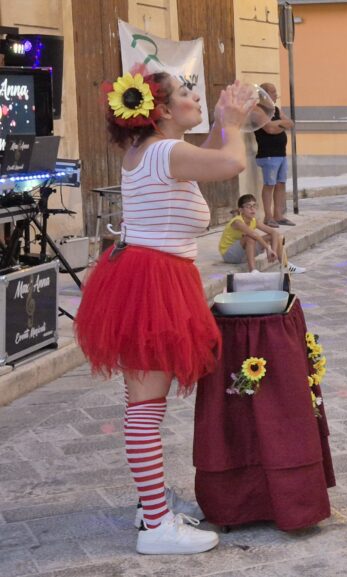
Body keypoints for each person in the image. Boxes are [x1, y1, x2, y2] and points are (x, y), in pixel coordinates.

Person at [76, 72, 256, 554]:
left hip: (144, 275)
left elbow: (214, 150)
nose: (195, 96)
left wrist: (221, 121)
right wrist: (234, 122)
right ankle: (156, 525)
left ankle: (149, 507)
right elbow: (231, 160)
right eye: (185, 93)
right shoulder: (164, 153)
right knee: (145, 407)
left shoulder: (152, 151)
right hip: (153, 282)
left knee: (142, 403)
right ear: (161, 111)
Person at [218, 194, 306, 274]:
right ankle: (253, 271)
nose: (252, 209)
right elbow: (254, 235)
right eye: (248, 206)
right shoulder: (237, 221)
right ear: (241, 210)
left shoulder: (254, 221)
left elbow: (273, 232)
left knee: (277, 236)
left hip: (243, 253)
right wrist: (268, 248)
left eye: (254, 206)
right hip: (230, 255)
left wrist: (273, 251)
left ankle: (285, 265)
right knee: (250, 237)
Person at [253, 83, 294, 228]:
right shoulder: (258, 110)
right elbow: (269, 129)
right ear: (264, 94)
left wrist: (278, 124)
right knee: (269, 185)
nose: (276, 95)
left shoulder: (275, 109)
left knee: (281, 184)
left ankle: (278, 215)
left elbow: (290, 123)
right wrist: (279, 125)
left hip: (281, 153)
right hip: (268, 154)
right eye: (273, 92)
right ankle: (268, 217)